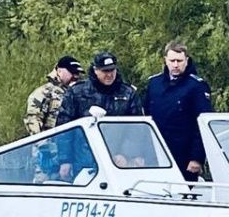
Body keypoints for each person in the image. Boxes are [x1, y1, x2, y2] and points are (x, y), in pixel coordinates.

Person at [143, 40, 213, 181]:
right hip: (156, 153)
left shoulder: (197, 86)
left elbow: (203, 125)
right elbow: (144, 119)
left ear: (186, 61)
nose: (176, 65)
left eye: (179, 61)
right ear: (165, 60)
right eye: (172, 60)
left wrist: (197, 158)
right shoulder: (154, 84)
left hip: (184, 155)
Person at [56, 51, 144, 124]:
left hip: (119, 144)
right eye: (105, 71)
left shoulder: (128, 93)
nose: (109, 75)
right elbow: (63, 127)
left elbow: (138, 127)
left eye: (112, 70)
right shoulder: (76, 92)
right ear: (95, 70)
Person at [23, 55, 83, 135]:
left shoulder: (78, 94)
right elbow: (33, 119)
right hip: (50, 143)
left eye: (77, 73)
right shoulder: (44, 92)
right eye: (72, 72)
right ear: (59, 71)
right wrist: (42, 141)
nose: (75, 76)